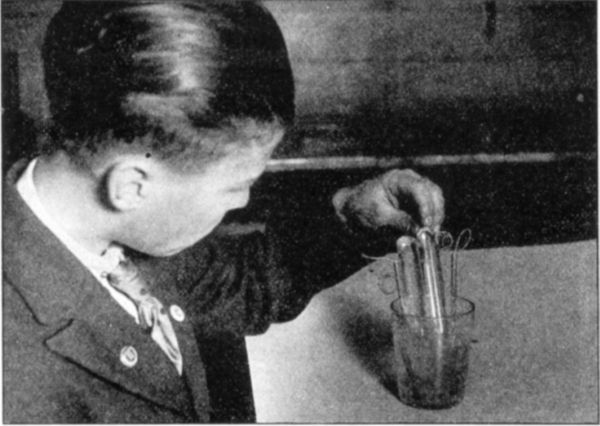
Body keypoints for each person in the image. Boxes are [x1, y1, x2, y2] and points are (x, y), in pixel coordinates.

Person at [2, 1, 444, 423]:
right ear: (131, 186)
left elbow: (242, 284)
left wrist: (349, 217)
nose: (243, 201)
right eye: (236, 185)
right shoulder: (20, 381)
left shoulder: (106, 229)